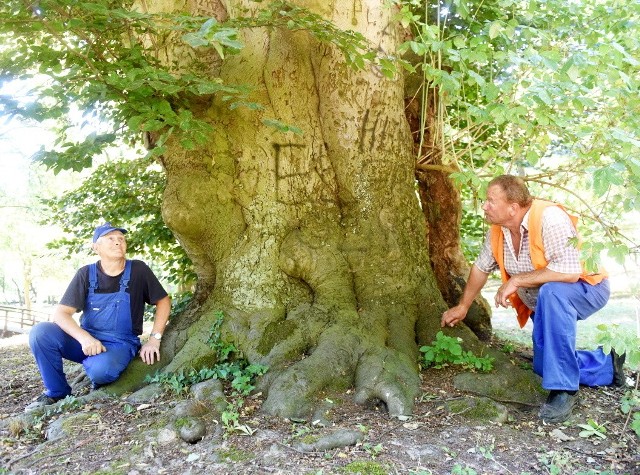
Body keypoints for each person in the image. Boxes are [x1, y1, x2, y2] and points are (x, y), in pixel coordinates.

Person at [441, 175, 625, 423]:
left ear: (513, 207)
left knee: (552, 291)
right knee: (542, 367)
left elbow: (569, 273)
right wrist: (463, 306)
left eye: (491, 201)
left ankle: (565, 390)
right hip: (546, 301)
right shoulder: (499, 230)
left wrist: (515, 281)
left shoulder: (550, 218)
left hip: (587, 288)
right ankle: (606, 365)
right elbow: (481, 268)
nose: (484, 206)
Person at [26, 222, 171, 411]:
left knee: (100, 372)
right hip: (87, 342)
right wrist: (85, 338)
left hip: (120, 343)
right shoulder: (86, 274)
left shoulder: (138, 270)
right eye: (111, 239)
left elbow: (163, 301)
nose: (118, 242)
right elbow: (61, 313)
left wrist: (154, 339)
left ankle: (98, 368)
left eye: (121, 239)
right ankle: (57, 392)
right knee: (41, 333)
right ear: (96, 247)